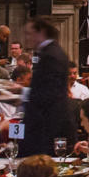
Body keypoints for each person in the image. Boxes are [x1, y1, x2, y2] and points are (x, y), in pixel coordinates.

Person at [20, 16, 74, 156]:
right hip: (49, 123)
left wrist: (21, 94)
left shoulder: (51, 55)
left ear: (41, 32)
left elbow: (49, 94)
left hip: (48, 126)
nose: (27, 38)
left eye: (29, 33)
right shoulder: (51, 51)